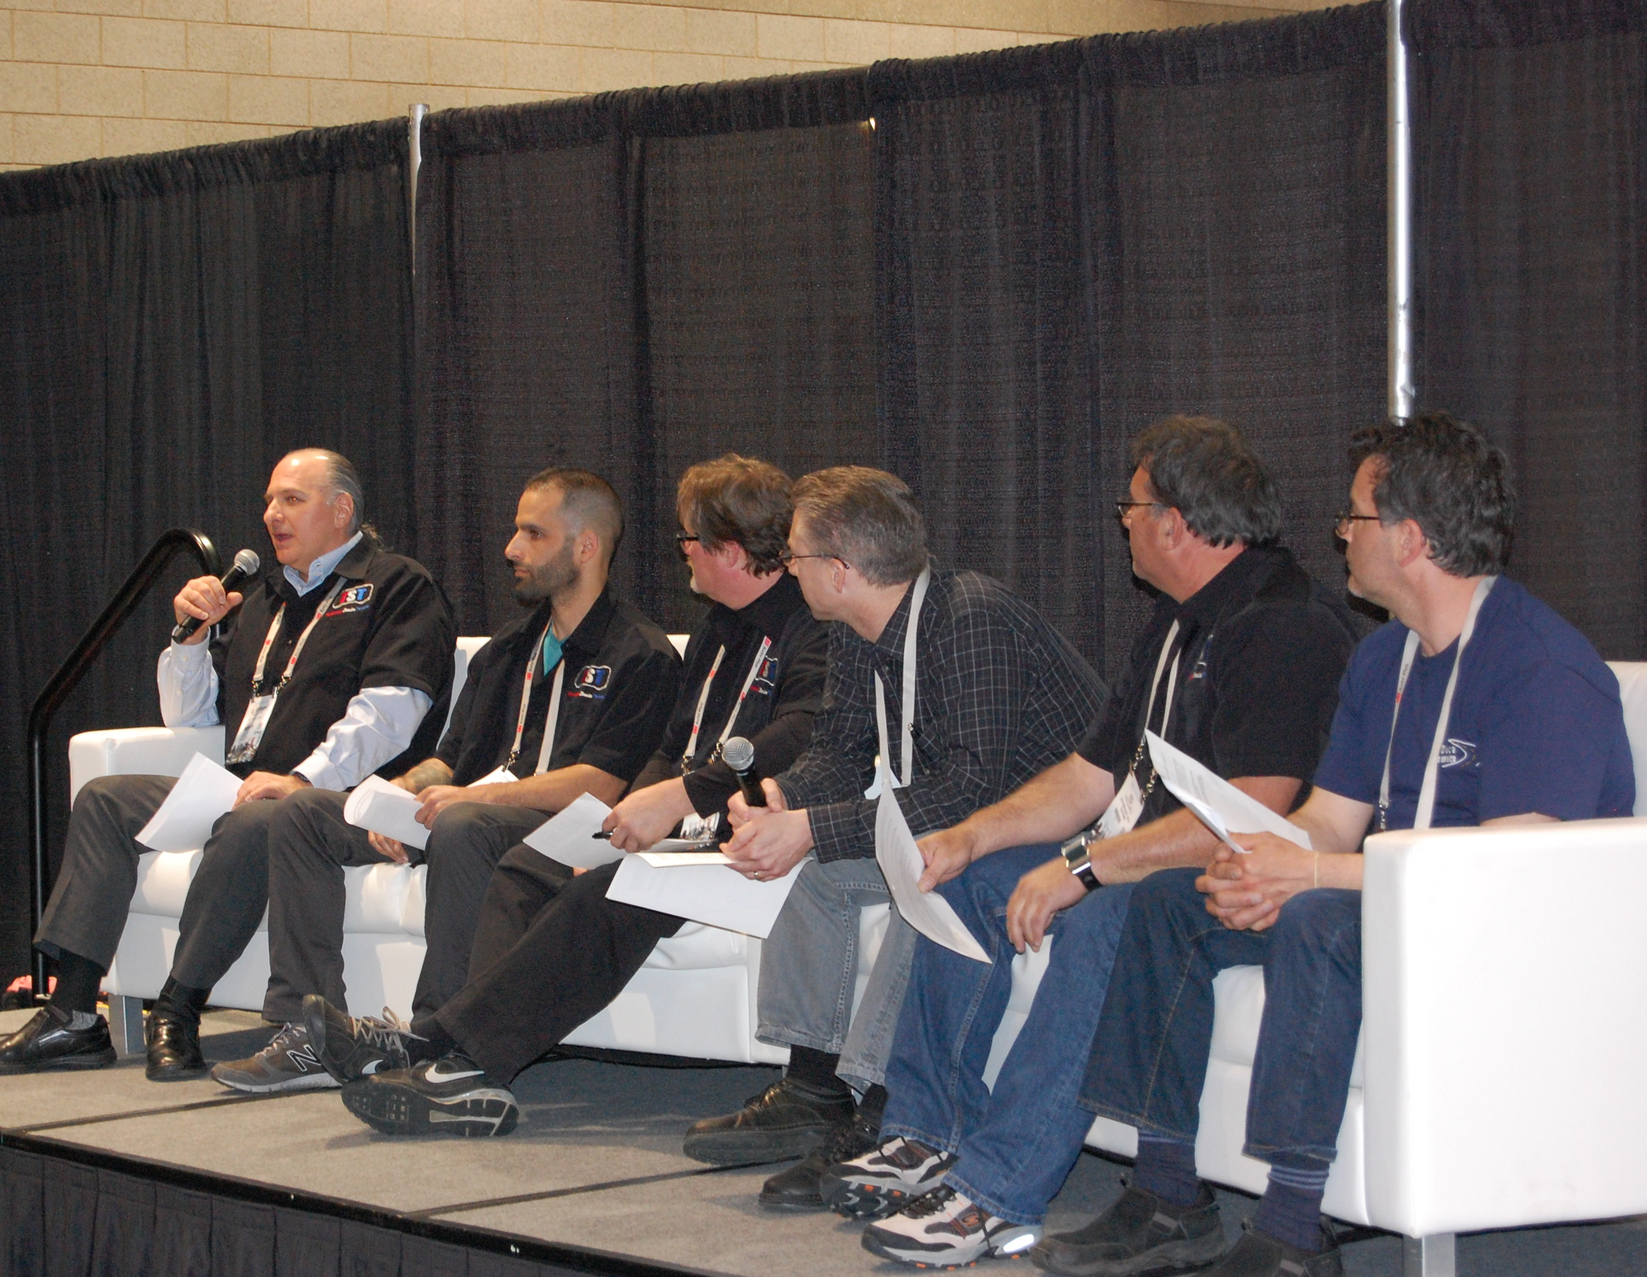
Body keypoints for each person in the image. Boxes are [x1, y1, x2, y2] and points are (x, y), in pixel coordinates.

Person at [1036, 412, 1633, 1277]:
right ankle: (1167, 1195)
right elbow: (1329, 819)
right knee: (1171, 899)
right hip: (1385, 899)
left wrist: (1309, 874)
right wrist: (1267, 865)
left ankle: (1291, 1232)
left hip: (1502, 928)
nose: (1340, 535)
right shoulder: (1384, 656)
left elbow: (1500, 873)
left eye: (1354, 517)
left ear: (1412, 539)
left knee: (1320, 920)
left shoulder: (1541, 666)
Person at [818, 418, 1357, 1266]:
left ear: (1176, 523)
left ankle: (999, 1192)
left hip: (1231, 878)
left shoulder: (1286, 625)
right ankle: (927, 1133)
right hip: (1136, 854)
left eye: (1131, 508)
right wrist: (970, 835)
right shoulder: (1175, 621)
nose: (1122, 524)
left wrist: (1083, 865)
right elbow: (1090, 774)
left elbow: (1251, 813)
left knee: (1109, 918)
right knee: (962, 878)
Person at [304, 454, 832, 1135]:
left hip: (742, 840)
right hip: (679, 833)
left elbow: (796, 733)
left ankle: (449, 1055)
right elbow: (673, 745)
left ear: (729, 550)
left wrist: (675, 800)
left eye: (689, 541)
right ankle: (457, 1060)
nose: (683, 555)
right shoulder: (716, 629)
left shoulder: (811, 623)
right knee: (529, 863)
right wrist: (632, 812)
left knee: (607, 891)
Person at [0, 449, 456, 1079]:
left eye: (292, 500)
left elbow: (392, 713)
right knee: (105, 798)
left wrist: (301, 780)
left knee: (260, 819)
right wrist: (191, 640)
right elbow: (190, 717)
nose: (272, 515)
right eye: (269, 501)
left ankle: (178, 1007)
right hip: (244, 787)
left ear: (341, 510)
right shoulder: (264, 597)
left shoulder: (395, 584)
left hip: (341, 803)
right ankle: (74, 1015)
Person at [683, 466, 1106, 1187]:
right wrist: (784, 798)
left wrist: (815, 827)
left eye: (794, 555)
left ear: (840, 570)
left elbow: (972, 789)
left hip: (1048, 834)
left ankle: (885, 1110)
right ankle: (813, 1088)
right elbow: (840, 753)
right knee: (816, 870)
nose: (787, 568)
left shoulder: (971, 617)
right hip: (960, 825)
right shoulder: (855, 630)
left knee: (923, 876)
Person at [207, 467, 681, 1093]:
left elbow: (601, 787)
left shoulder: (641, 653)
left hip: (555, 829)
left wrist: (464, 798)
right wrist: (402, 796)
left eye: (533, 534)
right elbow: (451, 760)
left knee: (462, 822)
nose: (511, 549)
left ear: (585, 547)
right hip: (469, 811)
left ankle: (436, 1038)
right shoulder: (508, 649)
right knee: (304, 813)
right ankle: (305, 1031)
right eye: (516, 532)